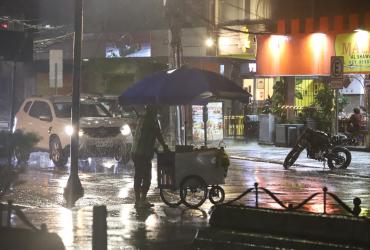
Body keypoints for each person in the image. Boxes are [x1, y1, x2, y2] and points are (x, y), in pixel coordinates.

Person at [131, 105, 168, 208]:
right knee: (147, 177)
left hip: (136, 152)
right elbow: (158, 134)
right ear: (152, 110)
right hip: (143, 154)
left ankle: (139, 201)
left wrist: (155, 148)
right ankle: (141, 200)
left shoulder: (142, 119)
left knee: (138, 176)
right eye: (156, 109)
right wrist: (165, 146)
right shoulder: (152, 121)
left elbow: (146, 137)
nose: (157, 111)